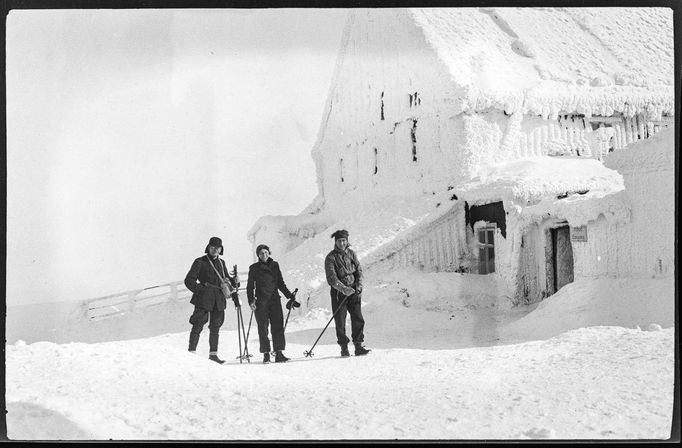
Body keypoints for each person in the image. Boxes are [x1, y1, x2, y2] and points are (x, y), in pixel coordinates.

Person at [185, 237, 240, 364]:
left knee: (215, 327)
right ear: (208, 248)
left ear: (221, 249)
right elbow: (189, 280)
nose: (215, 250)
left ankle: (213, 355)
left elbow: (225, 279)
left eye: (218, 248)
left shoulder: (222, 263)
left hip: (219, 299)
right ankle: (191, 353)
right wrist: (201, 290)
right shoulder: (199, 262)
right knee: (198, 324)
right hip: (204, 298)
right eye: (213, 247)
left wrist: (234, 281)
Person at [246, 244, 296, 363]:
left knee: (278, 326)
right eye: (261, 253)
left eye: (266, 252)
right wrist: (251, 301)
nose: (264, 255)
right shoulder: (254, 268)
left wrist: (290, 296)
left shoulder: (275, 265)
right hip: (261, 301)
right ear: (258, 255)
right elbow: (249, 287)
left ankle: (279, 353)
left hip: (274, 300)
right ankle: (266, 354)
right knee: (263, 328)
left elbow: (280, 283)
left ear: (269, 253)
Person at [324, 229, 370, 357]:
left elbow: (359, 271)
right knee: (340, 321)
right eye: (339, 241)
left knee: (358, 318)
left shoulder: (352, 254)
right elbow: (332, 278)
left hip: (354, 292)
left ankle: (358, 346)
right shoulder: (330, 257)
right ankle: (344, 347)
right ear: (336, 242)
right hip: (339, 294)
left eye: (344, 240)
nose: (342, 243)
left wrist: (359, 285)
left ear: (347, 241)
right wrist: (344, 289)